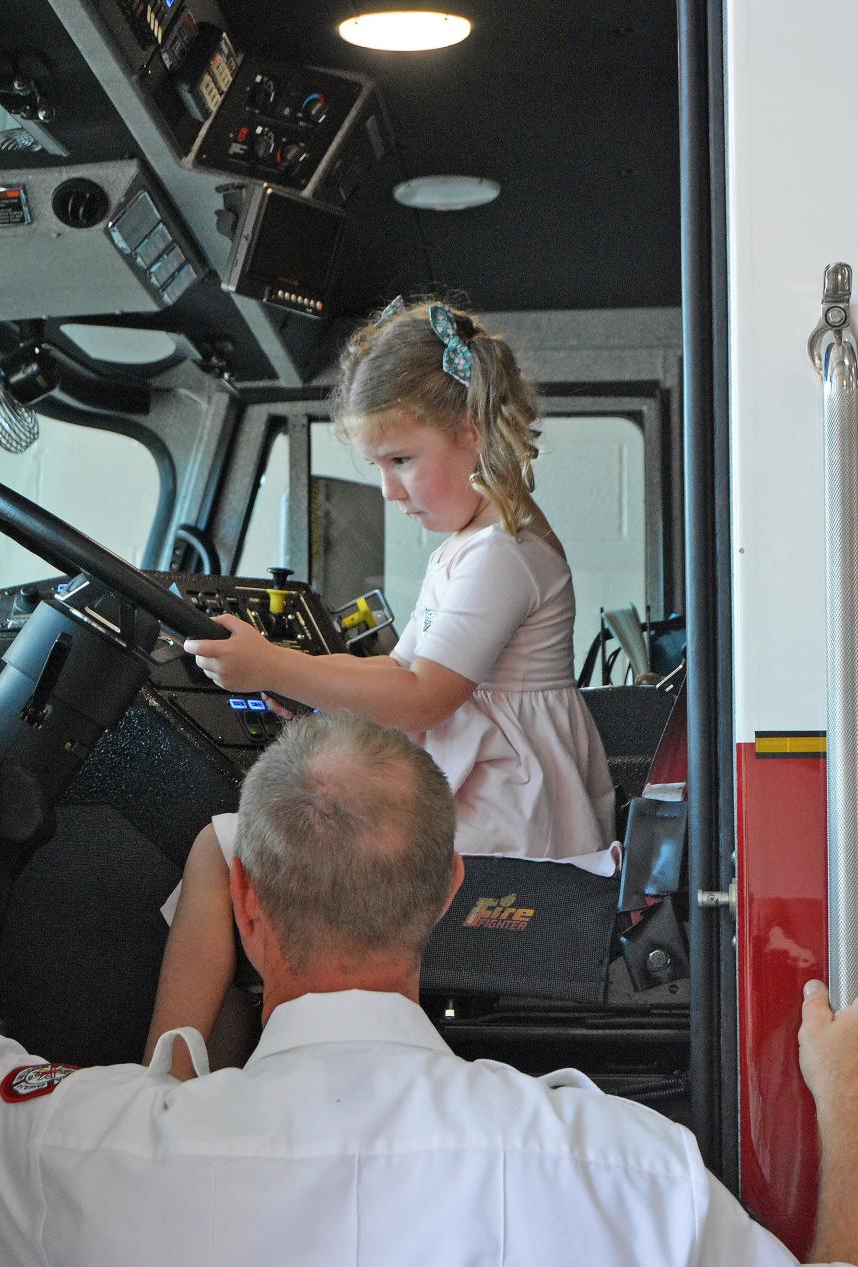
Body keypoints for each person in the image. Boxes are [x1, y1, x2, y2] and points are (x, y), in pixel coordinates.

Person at [0, 710, 858, 1267]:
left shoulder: (87, 1152)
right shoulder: (631, 1174)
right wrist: (851, 1110)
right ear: (449, 890)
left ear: (243, 899)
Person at [147, 296, 615, 1066]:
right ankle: (205, 1084)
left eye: (402, 460)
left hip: (509, 821)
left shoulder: (499, 553)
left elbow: (423, 694)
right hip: (485, 796)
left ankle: (163, 1086)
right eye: (380, 467)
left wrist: (275, 664)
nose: (393, 492)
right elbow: (399, 672)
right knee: (237, 854)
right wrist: (299, 679)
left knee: (223, 850)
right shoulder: (481, 539)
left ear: (471, 432)